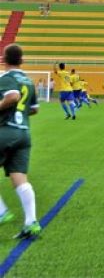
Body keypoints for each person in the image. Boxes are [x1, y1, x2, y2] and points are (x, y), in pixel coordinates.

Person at [0, 44, 42, 239]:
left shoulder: (5, 78)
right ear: (22, 60)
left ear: (3, 59)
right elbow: (34, 109)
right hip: (24, 133)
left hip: (5, 131)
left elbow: (13, 96)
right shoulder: (28, 81)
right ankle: (31, 222)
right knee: (19, 177)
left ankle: (1, 212)